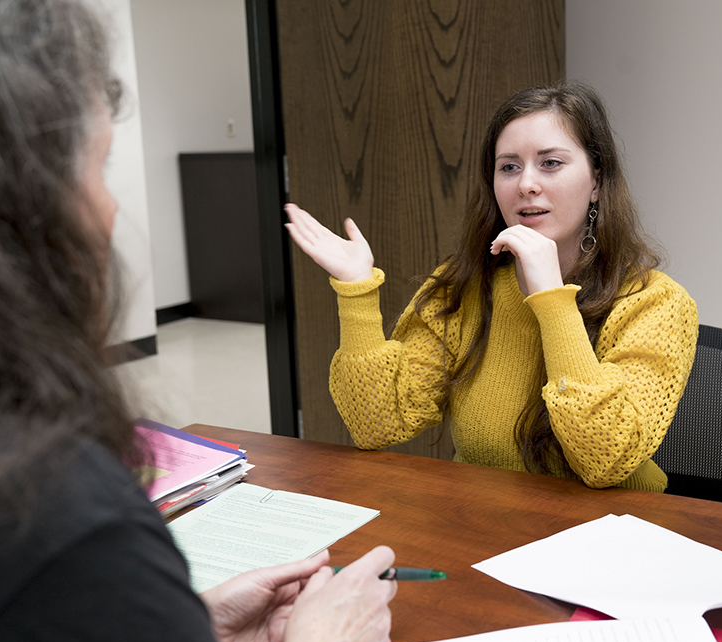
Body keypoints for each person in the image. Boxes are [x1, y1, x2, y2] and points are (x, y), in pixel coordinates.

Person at [0, 1, 395, 642]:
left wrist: (179, 634)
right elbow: (378, 415)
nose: (112, 205)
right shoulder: (48, 508)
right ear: (22, 209)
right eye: (98, 166)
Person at [285, 82, 698, 492]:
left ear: (596, 181)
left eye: (551, 163)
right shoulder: (462, 289)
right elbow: (377, 423)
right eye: (509, 166)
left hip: (613, 531)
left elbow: (606, 460)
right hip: (487, 517)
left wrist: (552, 300)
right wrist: (357, 289)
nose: (526, 185)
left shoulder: (656, 302)